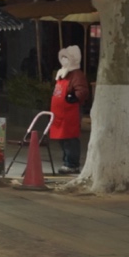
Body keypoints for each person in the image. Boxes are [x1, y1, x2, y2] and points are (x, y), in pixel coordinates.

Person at [51, 45, 90, 173]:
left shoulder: (77, 75)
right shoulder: (63, 73)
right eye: (62, 57)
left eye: (66, 58)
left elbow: (82, 90)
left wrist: (75, 96)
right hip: (59, 114)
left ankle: (72, 164)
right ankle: (66, 161)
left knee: (70, 138)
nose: (63, 60)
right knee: (62, 139)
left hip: (70, 112)